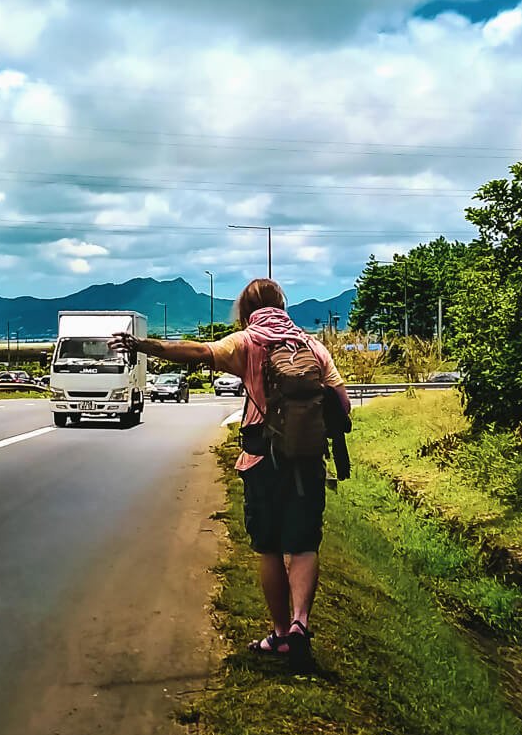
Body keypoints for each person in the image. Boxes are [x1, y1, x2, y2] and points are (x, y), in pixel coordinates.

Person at [111, 278, 348, 664]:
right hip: (308, 459)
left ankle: (279, 632)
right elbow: (342, 403)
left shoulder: (247, 342)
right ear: (282, 304)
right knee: (304, 544)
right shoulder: (311, 345)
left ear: (245, 310)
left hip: (262, 461)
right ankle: (301, 625)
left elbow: (194, 352)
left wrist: (144, 345)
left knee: (269, 547)